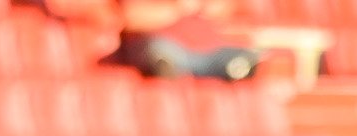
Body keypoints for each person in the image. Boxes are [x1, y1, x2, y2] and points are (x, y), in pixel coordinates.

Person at [111, 0, 259, 81]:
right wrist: (178, 7)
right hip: (165, 50)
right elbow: (129, 17)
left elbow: (232, 17)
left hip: (211, 55)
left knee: (243, 57)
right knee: (158, 50)